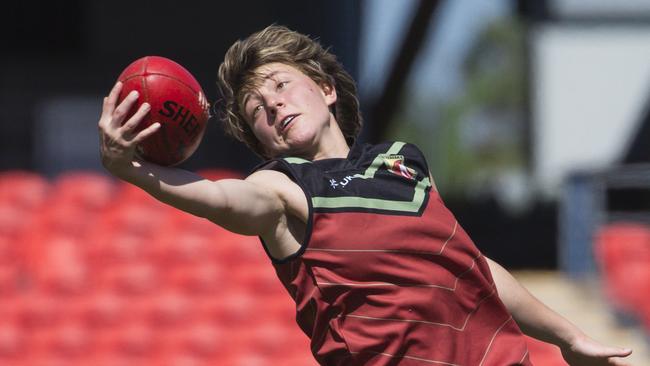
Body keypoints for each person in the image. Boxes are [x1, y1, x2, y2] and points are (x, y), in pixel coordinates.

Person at [98, 25, 633, 365]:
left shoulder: (404, 162)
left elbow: (475, 268)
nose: (274, 105)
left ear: (326, 89)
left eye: (281, 85)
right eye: (258, 110)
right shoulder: (282, 188)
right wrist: (134, 169)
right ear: (262, 141)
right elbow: (229, 202)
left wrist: (567, 337)